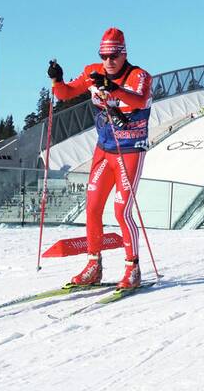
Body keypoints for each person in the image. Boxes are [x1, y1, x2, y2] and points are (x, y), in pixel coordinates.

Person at [48, 27, 152, 289]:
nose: (108, 61)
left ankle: (133, 267)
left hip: (129, 151)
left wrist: (112, 88)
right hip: (104, 150)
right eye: (104, 55)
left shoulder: (139, 76)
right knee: (92, 207)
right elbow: (65, 94)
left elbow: (138, 101)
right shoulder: (94, 72)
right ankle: (93, 265)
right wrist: (57, 80)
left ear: (123, 53)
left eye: (113, 56)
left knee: (121, 211)